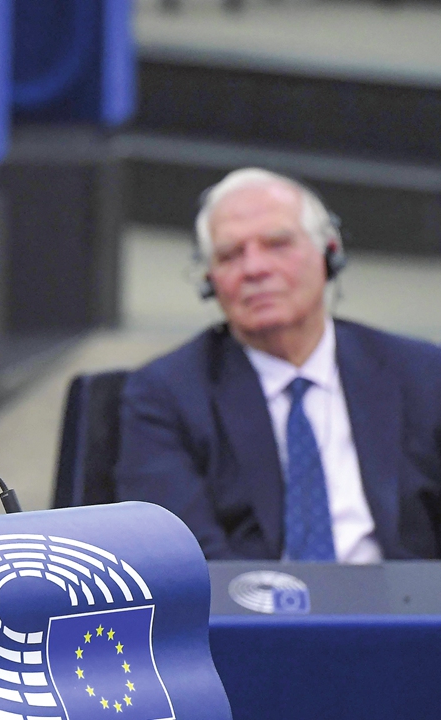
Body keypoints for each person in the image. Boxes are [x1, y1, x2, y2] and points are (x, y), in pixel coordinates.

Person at [115, 167, 441, 562]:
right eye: (230, 255)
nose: (255, 269)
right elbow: (179, 559)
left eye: (277, 244)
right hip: (250, 617)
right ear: (209, 280)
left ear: (330, 252)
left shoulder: (422, 374)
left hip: (408, 613)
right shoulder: (165, 395)